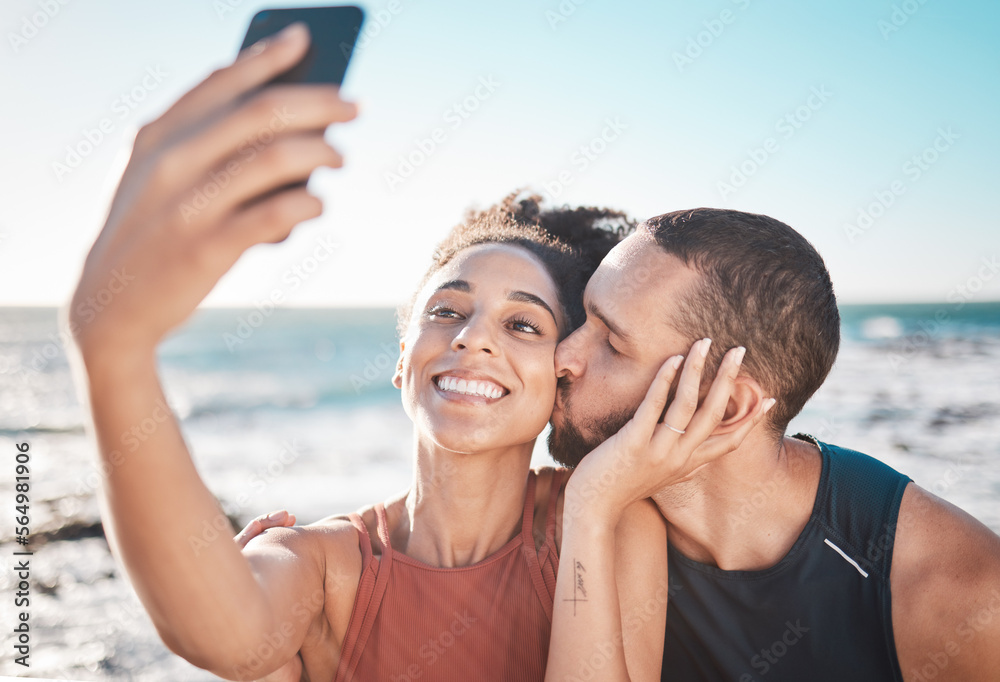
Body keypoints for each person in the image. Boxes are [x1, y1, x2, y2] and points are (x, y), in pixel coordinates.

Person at [67, 23, 759, 681]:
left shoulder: (610, 519)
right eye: (447, 311)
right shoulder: (325, 562)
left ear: (563, 373)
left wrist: (592, 501)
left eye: (523, 326)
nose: (472, 336)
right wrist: (115, 352)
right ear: (404, 359)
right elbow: (220, 634)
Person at [536, 208, 1000, 681]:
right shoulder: (612, 513)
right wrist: (591, 507)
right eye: (583, 318)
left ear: (727, 408)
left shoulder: (957, 593)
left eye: (612, 344)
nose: (563, 356)